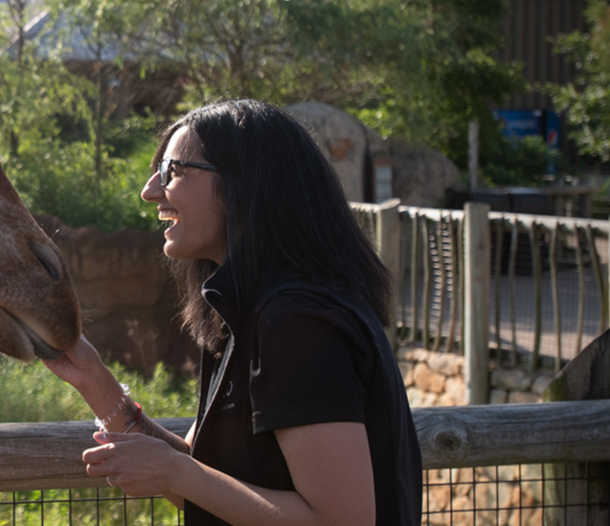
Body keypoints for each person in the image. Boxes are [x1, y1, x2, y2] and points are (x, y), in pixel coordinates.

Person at [45, 99, 422, 526]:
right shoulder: (254, 309)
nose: (150, 190)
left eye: (174, 171)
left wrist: (180, 472)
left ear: (246, 185)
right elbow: (206, 479)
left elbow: (343, 520)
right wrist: (92, 377)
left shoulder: (298, 323)